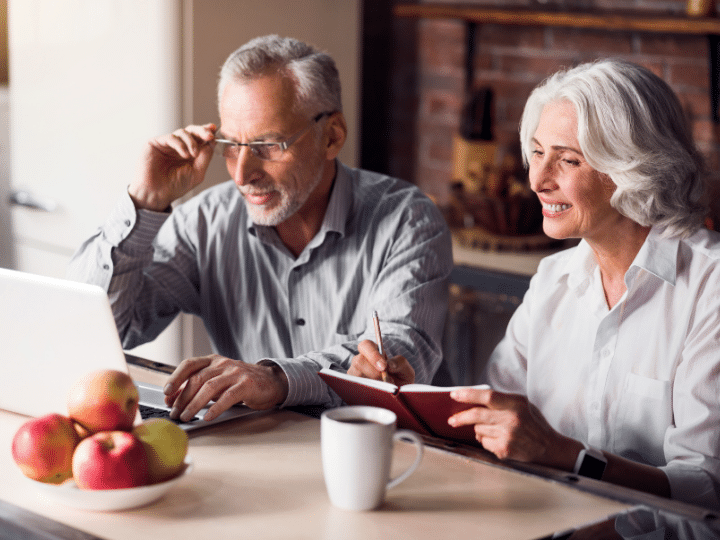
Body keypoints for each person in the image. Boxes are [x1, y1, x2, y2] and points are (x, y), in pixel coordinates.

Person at [356, 59, 720, 510]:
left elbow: (706, 489)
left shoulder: (710, 288)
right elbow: (494, 425)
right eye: (536, 152)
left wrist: (568, 456)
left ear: (635, 166)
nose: (537, 180)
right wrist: (411, 398)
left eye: (567, 159)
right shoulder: (552, 280)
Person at [68, 35, 452, 422]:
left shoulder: (407, 220)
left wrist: (277, 379)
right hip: (261, 452)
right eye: (231, 145)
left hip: (389, 457)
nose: (241, 174)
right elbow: (97, 331)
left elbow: (403, 355)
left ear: (331, 136)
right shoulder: (203, 223)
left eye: (268, 145)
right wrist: (145, 201)